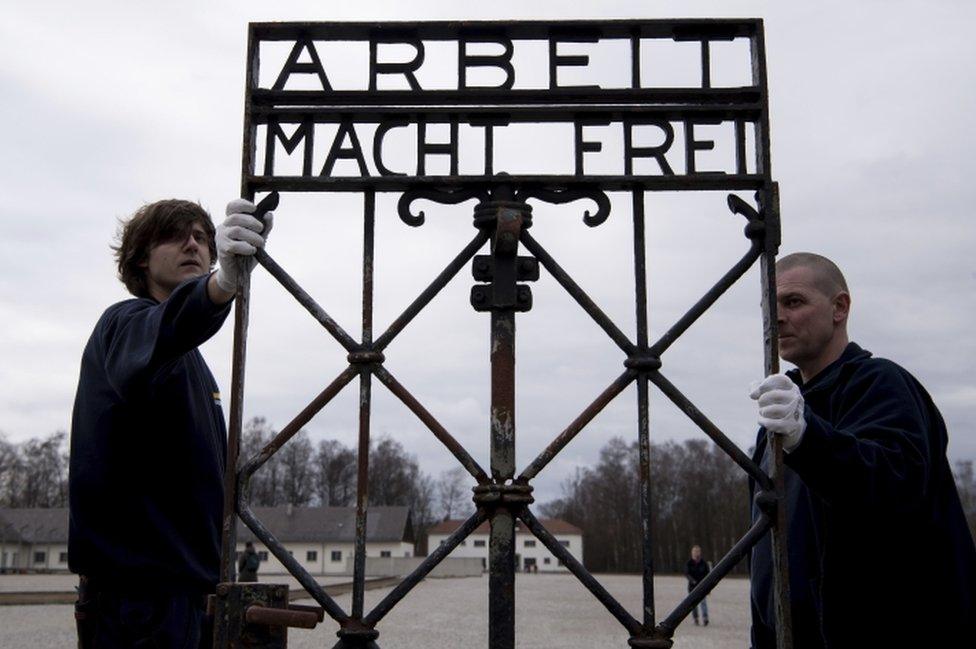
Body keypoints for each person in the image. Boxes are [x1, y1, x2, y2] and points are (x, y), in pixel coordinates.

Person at [69, 197, 273, 648]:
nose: (194, 244)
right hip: (140, 604)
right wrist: (222, 286)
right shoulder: (124, 325)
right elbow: (169, 327)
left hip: (193, 597)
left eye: (203, 237)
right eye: (175, 235)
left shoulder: (192, 360)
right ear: (141, 257)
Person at [748, 252, 976, 648]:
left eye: (794, 302)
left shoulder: (881, 384)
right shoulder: (780, 415)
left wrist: (808, 438)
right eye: (770, 306)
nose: (777, 317)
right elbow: (766, 549)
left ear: (840, 308)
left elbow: (895, 484)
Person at [685, 545, 710, 626]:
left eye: (698, 551)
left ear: (700, 552)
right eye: (695, 551)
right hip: (692, 587)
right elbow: (687, 574)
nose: (696, 553)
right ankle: (696, 618)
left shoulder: (704, 563)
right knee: (693, 605)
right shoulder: (689, 563)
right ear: (692, 553)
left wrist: (708, 588)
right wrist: (692, 581)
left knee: (703, 603)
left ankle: (705, 618)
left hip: (702, 587)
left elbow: (708, 575)